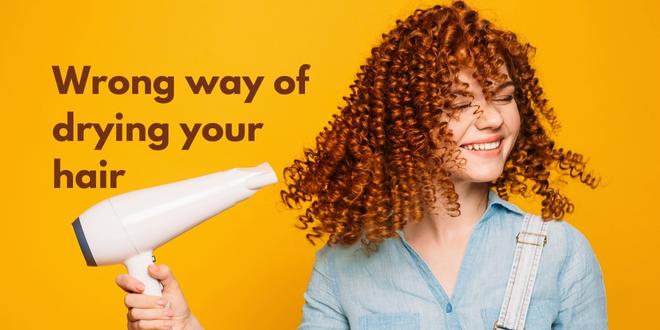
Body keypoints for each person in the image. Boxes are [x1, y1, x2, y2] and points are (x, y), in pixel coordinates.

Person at [115, 1, 607, 329]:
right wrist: (185, 326)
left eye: (503, 97)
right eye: (459, 103)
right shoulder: (341, 269)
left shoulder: (559, 254)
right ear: (406, 120)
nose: (494, 119)